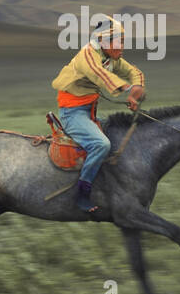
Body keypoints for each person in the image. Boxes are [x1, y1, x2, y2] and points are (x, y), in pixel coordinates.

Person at [50, 16, 145, 212]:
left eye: (122, 41)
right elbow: (100, 75)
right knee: (101, 144)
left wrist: (137, 86)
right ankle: (82, 193)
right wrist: (127, 90)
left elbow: (133, 71)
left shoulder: (111, 58)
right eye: (119, 41)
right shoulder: (87, 56)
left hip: (89, 112)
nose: (122, 47)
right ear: (104, 41)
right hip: (72, 114)